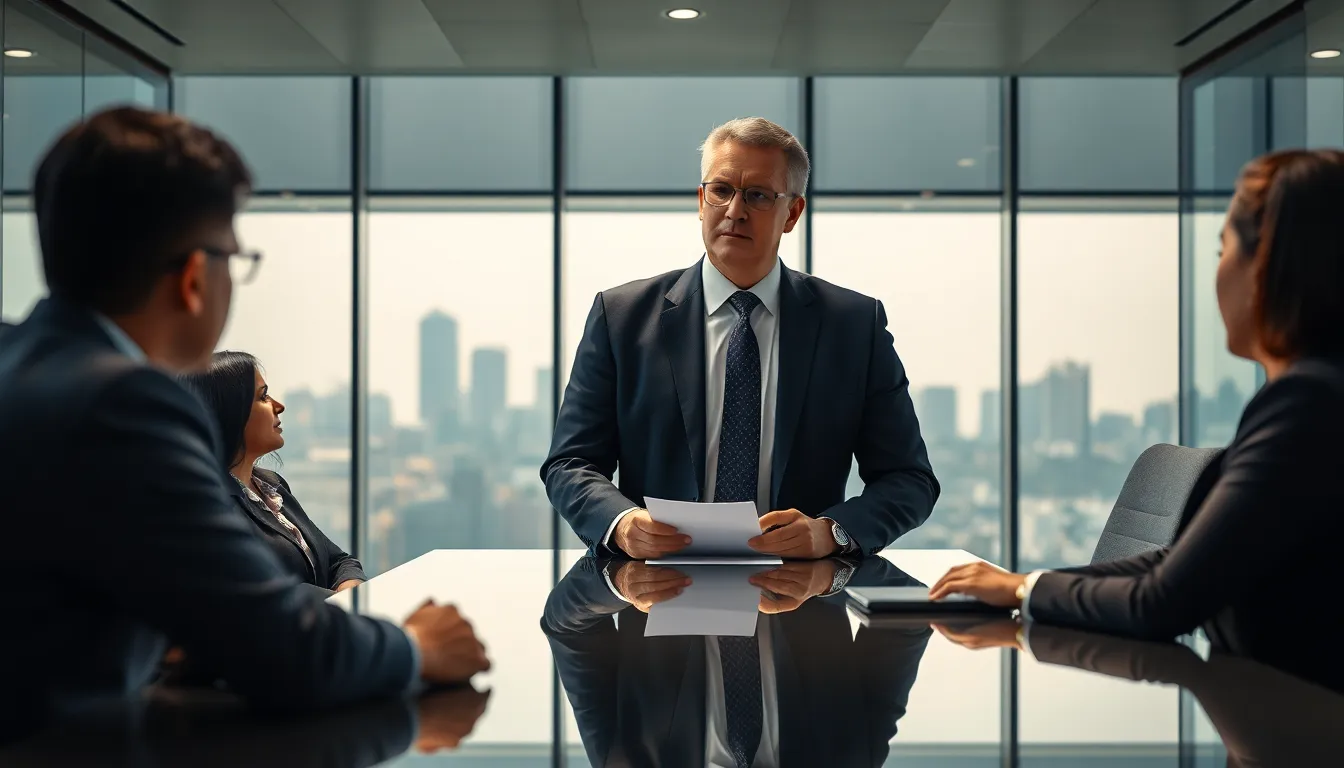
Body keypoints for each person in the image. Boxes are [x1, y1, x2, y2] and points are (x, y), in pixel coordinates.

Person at [0, 107, 488, 730]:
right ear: (194, 277)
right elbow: (282, 649)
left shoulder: (20, 364)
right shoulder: (123, 404)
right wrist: (418, 646)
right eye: (235, 257)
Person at [929, 148, 1344, 692]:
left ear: (1266, 265)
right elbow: (1182, 564)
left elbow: (1163, 602)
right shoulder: (1316, 395)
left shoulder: (1307, 404)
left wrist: (1026, 590)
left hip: (1293, 721)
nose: (1217, 273)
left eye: (1222, 250)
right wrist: (1023, 584)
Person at [543, 117, 939, 561]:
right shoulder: (621, 318)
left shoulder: (853, 325)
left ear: (792, 214)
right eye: (721, 190)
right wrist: (620, 523)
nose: (735, 210)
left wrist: (832, 533)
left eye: (758, 195)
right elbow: (570, 464)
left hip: (800, 589)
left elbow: (909, 480)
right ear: (701, 201)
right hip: (653, 584)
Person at [542, 557, 931, 766]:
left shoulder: (628, 759)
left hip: (661, 542)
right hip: (800, 534)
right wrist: (831, 574)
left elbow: (567, 625)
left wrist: (619, 579)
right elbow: (911, 615)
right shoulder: (846, 758)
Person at [181, 351, 363, 593]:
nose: (279, 406)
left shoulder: (272, 485)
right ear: (231, 411)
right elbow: (263, 597)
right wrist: (341, 606)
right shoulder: (213, 506)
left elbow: (339, 561)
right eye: (263, 396)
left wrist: (350, 593)